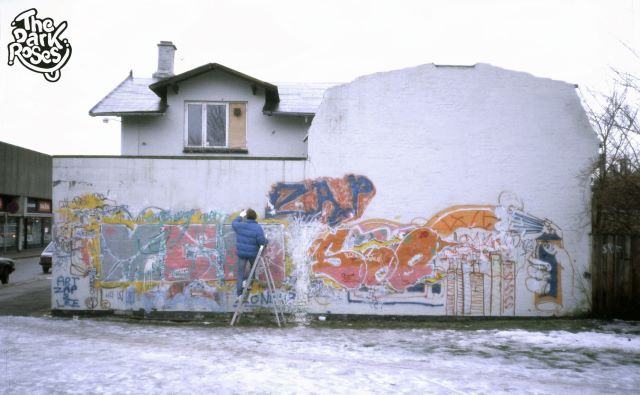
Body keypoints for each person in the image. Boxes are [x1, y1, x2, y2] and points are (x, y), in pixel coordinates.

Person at [231, 208, 268, 298]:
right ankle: (247, 282)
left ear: (246, 217)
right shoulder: (257, 228)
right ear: (255, 217)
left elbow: (233, 223)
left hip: (241, 254)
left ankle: (239, 294)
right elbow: (262, 242)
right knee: (253, 269)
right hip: (253, 254)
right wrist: (267, 240)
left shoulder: (240, 225)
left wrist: (240, 215)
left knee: (240, 273)